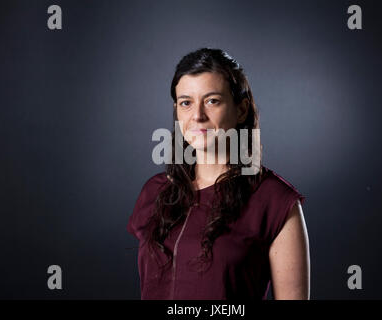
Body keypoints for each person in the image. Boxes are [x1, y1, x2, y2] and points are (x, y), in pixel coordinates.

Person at [127, 48, 310, 300]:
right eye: (186, 103)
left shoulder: (275, 201)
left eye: (212, 100)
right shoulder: (155, 192)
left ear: (241, 109)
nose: (197, 116)